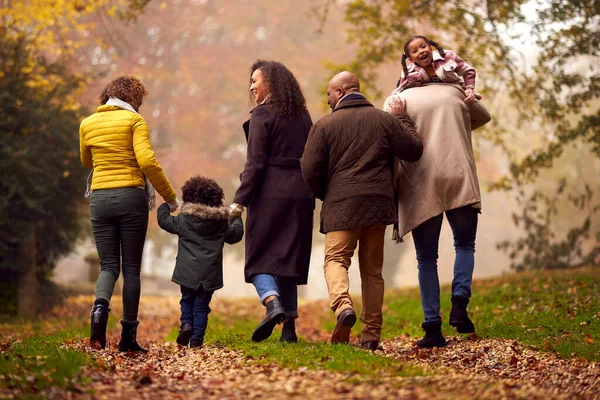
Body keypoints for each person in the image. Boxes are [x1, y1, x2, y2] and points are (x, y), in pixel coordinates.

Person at [300, 71, 423, 350]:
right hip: (378, 206)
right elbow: (414, 149)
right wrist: (403, 118)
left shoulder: (324, 125)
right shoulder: (385, 120)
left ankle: (343, 307)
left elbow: (308, 170)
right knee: (372, 271)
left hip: (342, 206)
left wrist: (327, 193)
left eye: (330, 93)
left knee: (335, 260)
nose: (328, 99)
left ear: (341, 92)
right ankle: (371, 336)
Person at [383, 50, 492, 347]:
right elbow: (483, 116)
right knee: (465, 244)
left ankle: (432, 328)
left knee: (426, 259)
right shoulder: (455, 92)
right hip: (458, 175)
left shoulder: (397, 100)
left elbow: (389, 140)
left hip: (420, 184)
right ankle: (459, 302)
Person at [80, 74, 178, 352]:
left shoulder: (87, 124)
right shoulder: (134, 121)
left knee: (108, 266)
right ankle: (128, 338)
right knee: (131, 269)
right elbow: (147, 161)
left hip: (99, 197)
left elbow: (86, 160)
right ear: (134, 98)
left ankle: (98, 312)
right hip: (130, 197)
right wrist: (170, 199)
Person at [229, 60, 314, 343]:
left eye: (256, 80)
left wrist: (239, 202)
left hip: (269, 194)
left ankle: (271, 303)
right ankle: (289, 331)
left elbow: (255, 163)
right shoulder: (303, 116)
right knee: (289, 259)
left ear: (272, 83)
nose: (251, 86)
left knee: (258, 257)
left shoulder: (262, 115)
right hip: (301, 194)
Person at [157, 175, 243, 348]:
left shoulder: (183, 220)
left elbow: (164, 220)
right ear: (216, 200)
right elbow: (235, 236)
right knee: (202, 306)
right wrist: (236, 217)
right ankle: (196, 339)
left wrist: (166, 206)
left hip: (187, 271)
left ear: (188, 196)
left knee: (187, 299)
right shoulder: (220, 223)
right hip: (209, 273)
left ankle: (186, 324)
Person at [397, 35, 482, 104]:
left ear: (430, 48)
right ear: (411, 59)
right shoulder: (408, 73)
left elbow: (468, 71)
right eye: (415, 51)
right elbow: (400, 90)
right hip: (431, 99)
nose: (421, 51)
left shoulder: (448, 56)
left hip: (453, 92)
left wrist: (469, 89)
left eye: (423, 47)